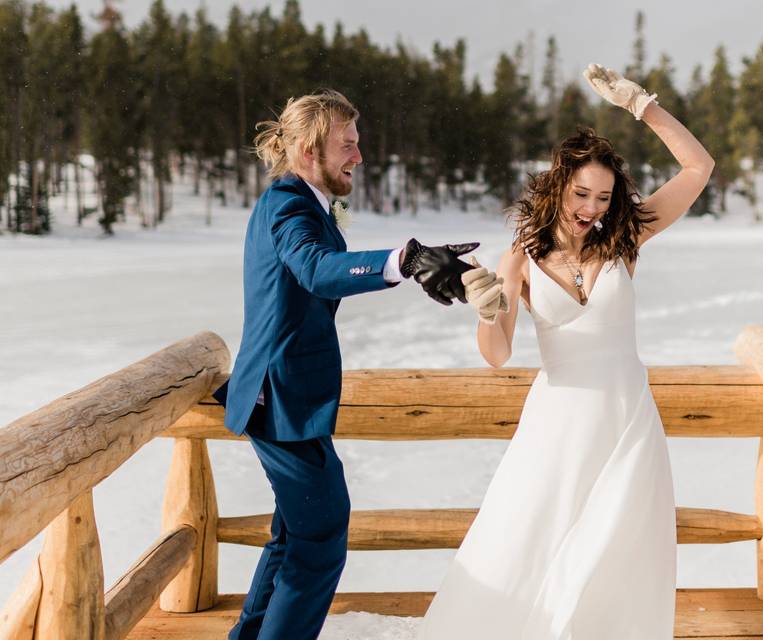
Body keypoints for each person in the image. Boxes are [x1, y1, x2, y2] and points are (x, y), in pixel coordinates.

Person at [418, 63, 714, 639]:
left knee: (619, 560)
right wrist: (486, 309)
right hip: (556, 428)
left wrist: (642, 106)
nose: (593, 207)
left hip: (626, 422)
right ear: (557, 186)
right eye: (582, 193)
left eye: (604, 196)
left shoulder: (627, 238)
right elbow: (497, 352)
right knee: (526, 544)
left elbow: (698, 166)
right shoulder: (520, 259)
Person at [218, 89, 478, 640]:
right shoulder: (287, 204)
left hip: (291, 400)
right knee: (320, 542)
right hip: (280, 398)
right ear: (311, 149)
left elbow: (322, 264)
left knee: (295, 538)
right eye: (349, 145)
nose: (359, 156)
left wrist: (409, 260)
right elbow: (316, 268)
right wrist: (403, 261)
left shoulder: (304, 202)